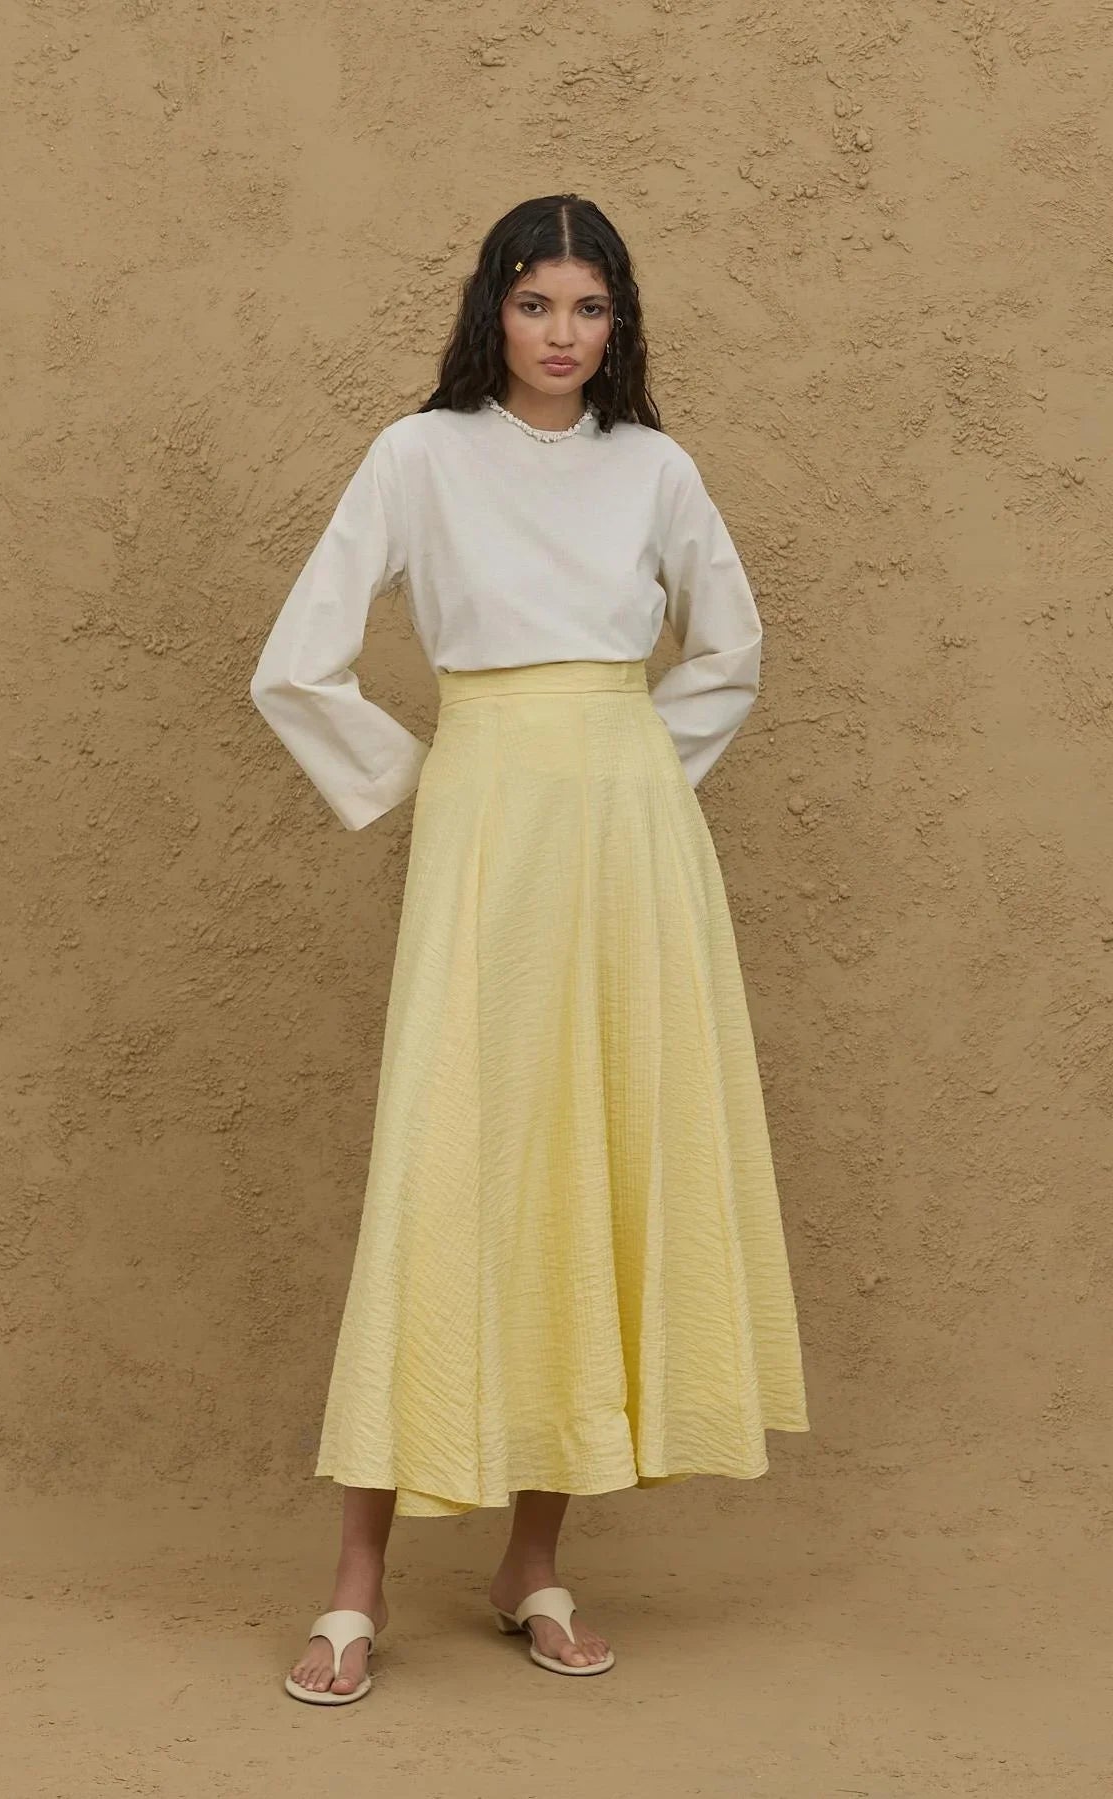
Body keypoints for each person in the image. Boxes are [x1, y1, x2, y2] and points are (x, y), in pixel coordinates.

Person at [249, 192, 810, 1705]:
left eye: (590, 306)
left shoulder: (657, 469)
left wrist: (628, 771)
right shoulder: (416, 456)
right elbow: (297, 662)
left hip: (628, 836)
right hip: (488, 821)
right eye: (535, 302)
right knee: (450, 1157)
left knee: (590, 1157)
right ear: (490, 310)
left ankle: (533, 1564)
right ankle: (356, 1588)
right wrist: (431, 776)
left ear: (619, 322)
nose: (563, 333)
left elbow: (732, 649)